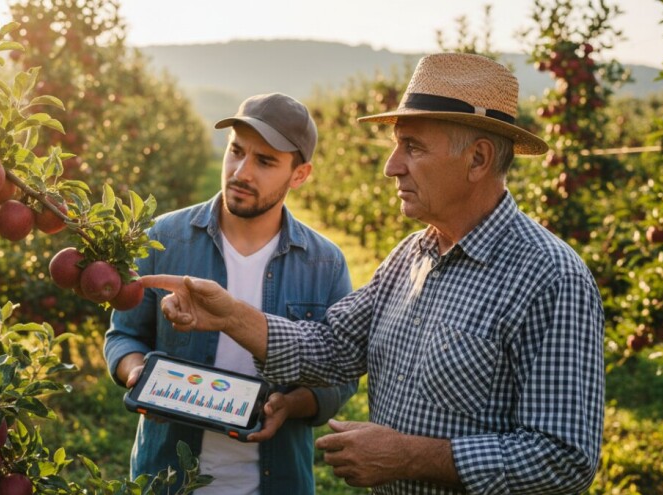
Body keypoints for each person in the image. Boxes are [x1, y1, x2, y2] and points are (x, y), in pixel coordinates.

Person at [140, 53, 606, 495]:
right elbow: (334, 346)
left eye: (412, 147)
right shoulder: (412, 255)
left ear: (478, 159)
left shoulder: (549, 278)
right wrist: (231, 316)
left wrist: (410, 457)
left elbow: (564, 459)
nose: (390, 166)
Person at [104, 92, 357, 494]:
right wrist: (138, 375)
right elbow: (124, 335)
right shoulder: (164, 238)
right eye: (236, 151)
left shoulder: (324, 264)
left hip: (275, 482)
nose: (241, 172)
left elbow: (340, 376)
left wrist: (290, 405)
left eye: (265, 161)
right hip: (167, 478)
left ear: (299, 175)